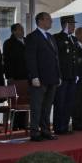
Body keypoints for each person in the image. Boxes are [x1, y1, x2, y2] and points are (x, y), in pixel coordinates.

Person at [25, 12, 60, 141]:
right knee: (37, 105)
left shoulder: (50, 37)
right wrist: (34, 76)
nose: (51, 21)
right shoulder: (32, 37)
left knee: (47, 106)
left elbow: (55, 58)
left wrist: (58, 75)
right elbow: (31, 58)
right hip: (39, 78)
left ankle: (45, 130)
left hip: (51, 77)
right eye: (48, 19)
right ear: (40, 21)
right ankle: (34, 131)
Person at [53, 15, 80, 135]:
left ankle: (64, 126)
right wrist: (64, 34)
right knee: (60, 102)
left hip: (72, 75)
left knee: (69, 102)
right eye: (71, 24)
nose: (74, 27)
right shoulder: (57, 38)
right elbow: (58, 54)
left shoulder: (73, 39)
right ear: (65, 25)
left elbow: (74, 58)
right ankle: (58, 127)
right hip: (62, 76)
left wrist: (76, 73)